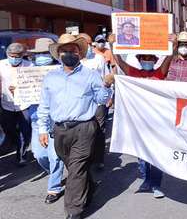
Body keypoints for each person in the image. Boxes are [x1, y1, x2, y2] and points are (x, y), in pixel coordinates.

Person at [38, 34, 114, 219]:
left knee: (76, 169)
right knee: (72, 167)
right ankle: (90, 186)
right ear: (59, 54)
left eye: (72, 50)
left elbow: (102, 100)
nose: (69, 54)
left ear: (79, 53)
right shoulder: (51, 77)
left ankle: (74, 210)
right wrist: (42, 128)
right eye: (65, 51)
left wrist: (106, 86)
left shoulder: (90, 75)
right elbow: (44, 105)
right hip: (59, 130)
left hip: (84, 128)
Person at [110, 33, 176, 199]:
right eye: (144, 58)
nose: (147, 60)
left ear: (154, 60)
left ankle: (156, 184)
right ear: (140, 60)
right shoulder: (133, 72)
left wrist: (173, 45)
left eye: (150, 58)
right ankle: (146, 180)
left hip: (157, 120)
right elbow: (119, 61)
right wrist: (112, 45)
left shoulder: (160, 73)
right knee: (142, 153)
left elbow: (169, 57)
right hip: (139, 120)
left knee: (157, 153)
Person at [27, 38, 65, 204]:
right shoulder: (26, 71)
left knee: (55, 155)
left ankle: (54, 187)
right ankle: (54, 173)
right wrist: (15, 90)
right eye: (40, 54)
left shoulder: (62, 71)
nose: (42, 57)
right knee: (39, 154)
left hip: (55, 119)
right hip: (37, 119)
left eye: (46, 53)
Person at [78, 33, 109, 169]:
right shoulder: (73, 60)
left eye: (90, 43)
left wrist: (108, 96)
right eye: (84, 43)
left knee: (99, 130)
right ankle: (85, 157)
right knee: (83, 130)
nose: (88, 46)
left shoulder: (99, 59)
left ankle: (99, 158)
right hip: (80, 103)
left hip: (98, 102)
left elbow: (106, 78)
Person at [0, 42, 33, 165]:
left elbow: (33, 84)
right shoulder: (1, 65)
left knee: (25, 130)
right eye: (11, 55)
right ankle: (17, 143)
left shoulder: (30, 66)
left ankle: (22, 154)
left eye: (17, 56)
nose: (14, 58)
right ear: (7, 54)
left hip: (24, 105)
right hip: (6, 104)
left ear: (22, 55)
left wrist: (19, 89)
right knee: (9, 129)